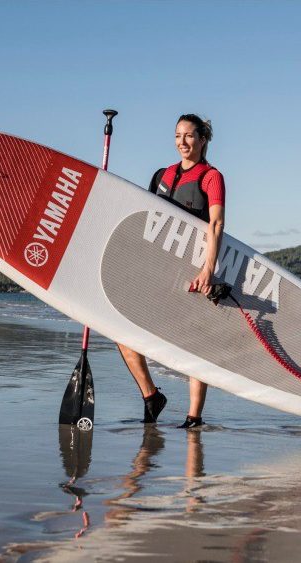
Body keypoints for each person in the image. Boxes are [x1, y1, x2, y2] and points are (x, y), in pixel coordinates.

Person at [117, 114, 226, 429]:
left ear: (202, 139)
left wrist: (208, 270)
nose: (182, 142)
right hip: (157, 272)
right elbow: (147, 221)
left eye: (189, 135)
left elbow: (216, 224)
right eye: (177, 135)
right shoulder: (160, 175)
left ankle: (194, 417)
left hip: (195, 274)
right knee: (122, 332)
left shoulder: (211, 177)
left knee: (194, 343)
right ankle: (152, 395)